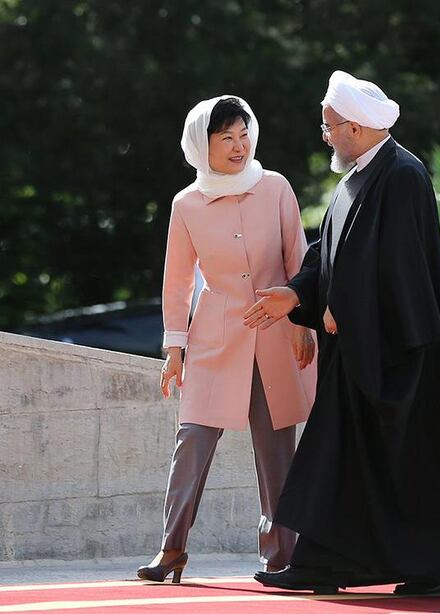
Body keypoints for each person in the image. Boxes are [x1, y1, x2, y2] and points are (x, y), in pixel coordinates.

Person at [249, 71, 440, 595]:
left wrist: (350, 310)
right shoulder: (355, 177)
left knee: (407, 464)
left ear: (357, 128)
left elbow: (402, 268)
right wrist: (296, 294)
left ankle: (432, 571)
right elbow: (329, 255)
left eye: (329, 126)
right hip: (359, 353)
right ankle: (327, 563)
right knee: (340, 460)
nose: (325, 135)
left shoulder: (403, 175)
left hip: (401, 356)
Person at [137, 96, 317, 583]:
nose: (239, 146)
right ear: (203, 145)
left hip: (276, 333)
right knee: (191, 440)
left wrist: (303, 324)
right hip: (215, 337)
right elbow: (177, 281)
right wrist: (173, 350)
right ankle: (171, 549)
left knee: (276, 449)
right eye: (226, 138)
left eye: (243, 134)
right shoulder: (186, 204)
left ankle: (280, 556)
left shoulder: (275, 187)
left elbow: (299, 260)